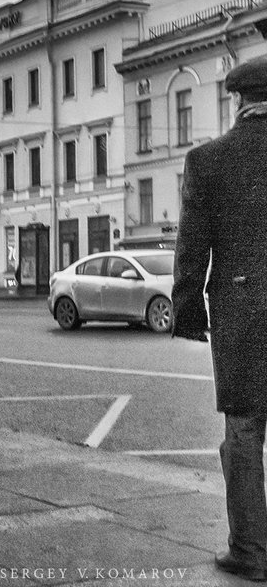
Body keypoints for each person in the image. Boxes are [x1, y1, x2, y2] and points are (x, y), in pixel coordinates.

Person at [172, 54, 267, 583]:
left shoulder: (209, 159)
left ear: (238, 100)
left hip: (244, 309)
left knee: (245, 429)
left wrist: (186, 312)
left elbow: (192, 246)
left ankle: (251, 551)